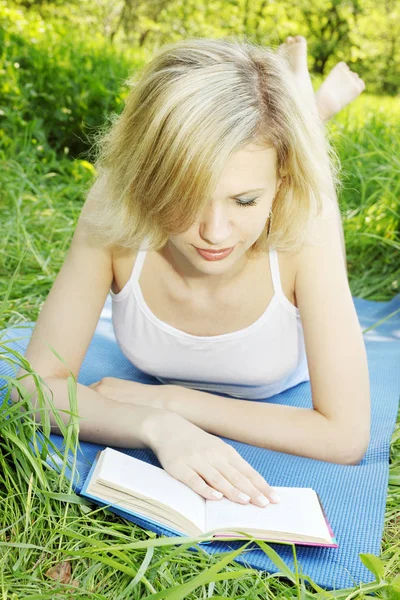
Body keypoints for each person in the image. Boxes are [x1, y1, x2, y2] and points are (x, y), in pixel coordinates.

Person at [12, 35, 370, 510]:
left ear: (278, 185)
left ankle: (309, 99)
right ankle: (300, 95)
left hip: (298, 192)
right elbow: (32, 390)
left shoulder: (308, 217)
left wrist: (172, 402)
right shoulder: (114, 206)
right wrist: (153, 427)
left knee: (309, 152)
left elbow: (345, 436)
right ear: (148, 179)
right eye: (185, 197)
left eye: (245, 201)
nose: (215, 233)